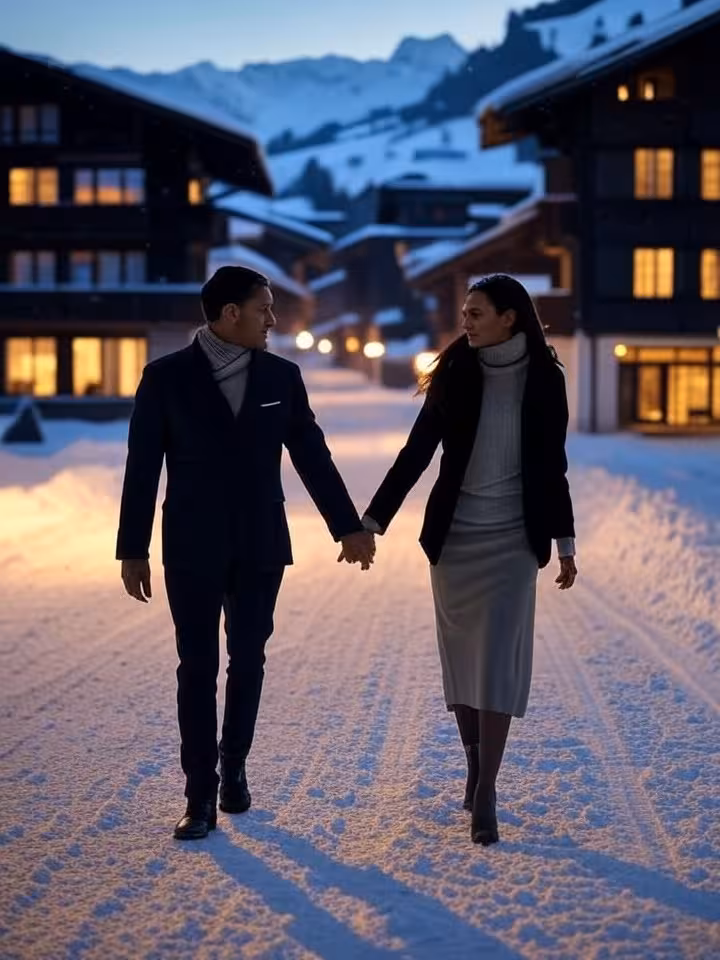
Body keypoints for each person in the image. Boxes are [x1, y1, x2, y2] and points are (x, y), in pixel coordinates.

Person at [116, 266, 375, 840]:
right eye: (264, 308)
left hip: (260, 542)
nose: (272, 319)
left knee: (249, 660)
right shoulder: (166, 378)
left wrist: (348, 527)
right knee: (196, 667)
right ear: (230, 313)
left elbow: (312, 453)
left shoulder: (282, 376)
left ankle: (234, 768)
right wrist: (132, 548)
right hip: (191, 543)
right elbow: (142, 466)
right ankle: (198, 794)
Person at [349, 274, 577, 846]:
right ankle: (474, 762)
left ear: (510, 317)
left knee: (497, 659)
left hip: (512, 542)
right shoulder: (456, 373)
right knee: (464, 661)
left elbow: (553, 466)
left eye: (476, 314)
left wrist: (566, 543)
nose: (466, 323)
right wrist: (371, 521)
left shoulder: (546, 379)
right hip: (455, 541)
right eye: (465, 314)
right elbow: (416, 454)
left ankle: (487, 790)